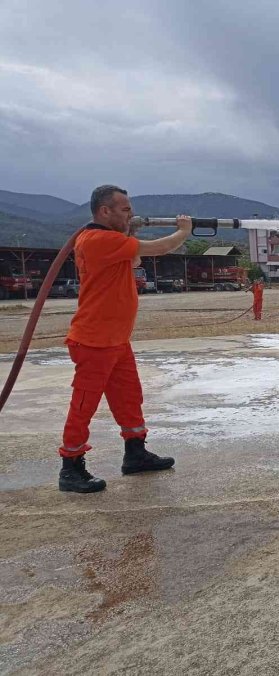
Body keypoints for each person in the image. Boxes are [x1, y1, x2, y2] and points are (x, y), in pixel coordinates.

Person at [58, 185, 192, 493]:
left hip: (116, 339)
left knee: (129, 397)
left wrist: (128, 230)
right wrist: (183, 231)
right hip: (94, 340)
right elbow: (158, 249)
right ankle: (71, 466)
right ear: (105, 211)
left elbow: (133, 262)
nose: (130, 214)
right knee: (83, 405)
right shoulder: (98, 239)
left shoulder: (112, 242)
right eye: (125, 210)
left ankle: (136, 453)